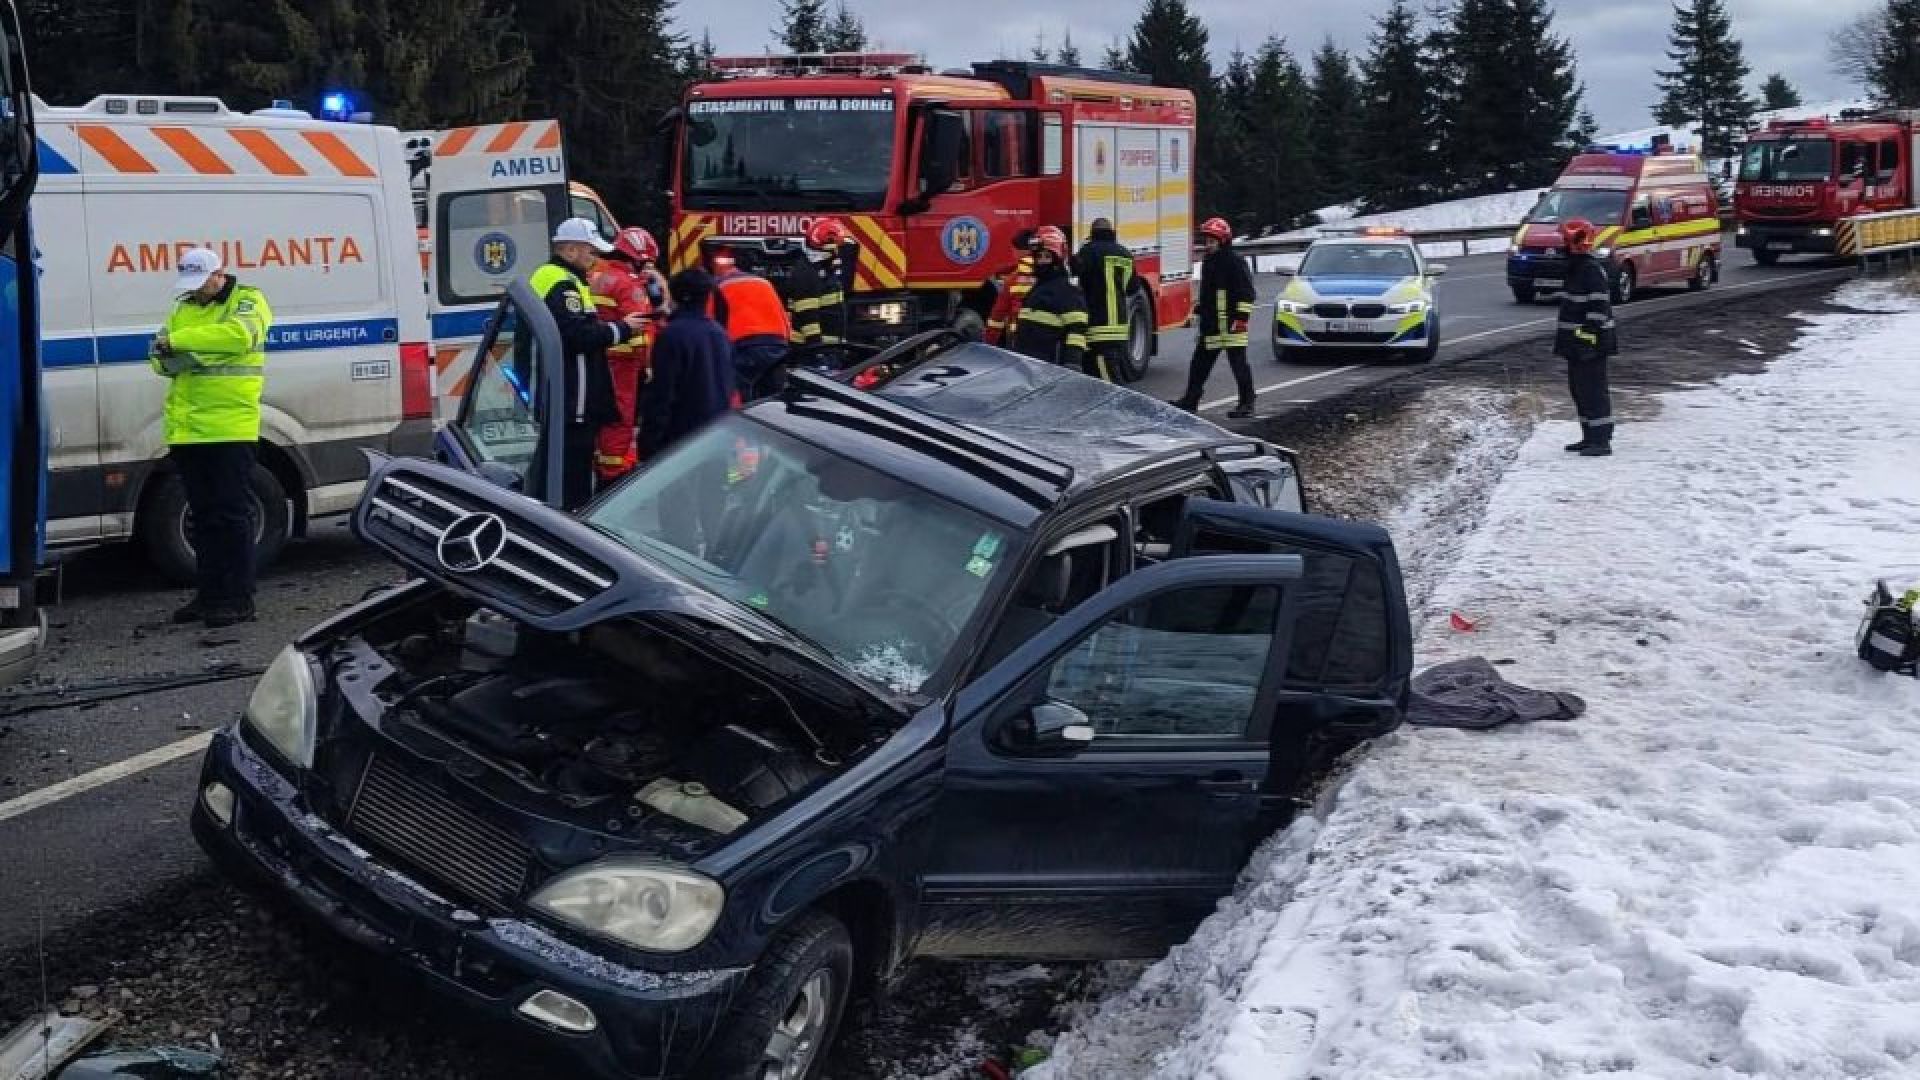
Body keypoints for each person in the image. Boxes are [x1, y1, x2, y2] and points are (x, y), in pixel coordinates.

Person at [150, 248, 272, 627]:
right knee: (204, 518)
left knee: (230, 515)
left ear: (220, 273)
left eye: (202, 282)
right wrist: (177, 348)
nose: (198, 291)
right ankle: (209, 596)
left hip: (229, 428)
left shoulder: (248, 300)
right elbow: (157, 355)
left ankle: (238, 598)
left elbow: (238, 335)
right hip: (188, 430)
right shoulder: (184, 307)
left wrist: (181, 343)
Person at [532, 217, 648, 510]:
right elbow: (577, 336)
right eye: (590, 251)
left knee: (556, 467)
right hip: (574, 397)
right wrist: (622, 328)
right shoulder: (563, 284)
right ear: (570, 250)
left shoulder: (556, 278)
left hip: (564, 391)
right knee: (573, 477)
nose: (595, 259)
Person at [589, 227, 669, 482]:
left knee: (605, 418)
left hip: (600, 359)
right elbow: (642, 330)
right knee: (620, 419)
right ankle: (614, 473)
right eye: (646, 262)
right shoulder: (629, 286)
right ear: (637, 256)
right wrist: (648, 366)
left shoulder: (598, 276)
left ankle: (603, 463)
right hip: (623, 364)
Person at [640, 269, 735, 459]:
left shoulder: (671, 335)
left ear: (675, 296)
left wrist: (649, 444)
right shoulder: (719, 333)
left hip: (680, 442)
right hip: (716, 436)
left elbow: (662, 395)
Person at [1172, 217, 1256, 419]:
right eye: (1207, 240)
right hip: (1212, 326)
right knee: (1199, 363)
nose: (1208, 245)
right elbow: (1210, 292)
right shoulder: (1209, 262)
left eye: (1212, 241)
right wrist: (1200, 309)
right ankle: (1191, 400)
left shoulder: (1235, 262)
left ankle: (1247, 402)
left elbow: (1246, 293)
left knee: (1238, 365)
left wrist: (1241, 319)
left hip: (1232, 324)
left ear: (1223, 240)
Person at [1554, 217, 1619, 456]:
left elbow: (1598, 306)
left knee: (1593, 391)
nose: (1561, 244)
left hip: (1590, 344)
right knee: (1579, 389)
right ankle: (1589, 436)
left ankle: (1601, 441)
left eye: (1565, 239)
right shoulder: (1577, 267)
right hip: (1579, 344)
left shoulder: (1589, 269)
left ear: (1575, 242)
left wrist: (1587, 336)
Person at [707, 248, 792, 399]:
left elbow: (709, 323)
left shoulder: (719, 286)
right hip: (777, 346)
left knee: (744, 400)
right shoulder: (764, 283)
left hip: (744, 347)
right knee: (775, 399)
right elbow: (784, 319)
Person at [1009, 226, 1089, 370]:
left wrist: (1073, 363)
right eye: (1039, 257)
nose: (1042, 261)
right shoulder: (1037, 288)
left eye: (1047, 256)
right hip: (1028, 365)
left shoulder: (1067, 290)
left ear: (1057, 259)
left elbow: (1077, 330)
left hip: (1051, 367)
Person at [1073, 216, 1134, 382]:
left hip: (1098, 327)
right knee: (1109, 373)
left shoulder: (1088, 251)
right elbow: (1132, 288)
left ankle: (1124, 408)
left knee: (1109, 383)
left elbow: (1074, 271)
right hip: (1120, 329)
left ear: (1093, 233)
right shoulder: (1125, 254)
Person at [786, 219, 858, 352]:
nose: (838, 252)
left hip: (829, 346)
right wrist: (816, 348)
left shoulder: (821, 269)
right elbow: (808, 315)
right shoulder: (807, 273)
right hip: (815, 349)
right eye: (837, 248)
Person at [984, 229, 1037, 345]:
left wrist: (989, 343)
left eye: (1014, 250)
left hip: (1019, 336)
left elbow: (997, 317)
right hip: (1045, 337)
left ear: (1019, 251)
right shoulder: (1049, 271)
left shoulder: (1014, 279)